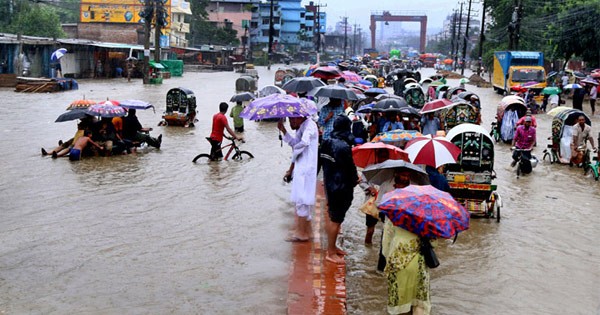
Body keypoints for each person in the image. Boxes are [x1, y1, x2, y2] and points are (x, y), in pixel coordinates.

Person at [319, 115, 358, 264]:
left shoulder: (325, 142)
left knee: (333, 217)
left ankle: (332, 247)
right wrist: (355, 179)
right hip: (341, 187)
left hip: (330, 185)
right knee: (336, 220)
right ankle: (330, 252)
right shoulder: (344, 147)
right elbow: (350, 168)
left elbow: (322, 164)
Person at [278, 114, 319, 242]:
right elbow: (295, 143)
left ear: (300, 117)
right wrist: (283, 130)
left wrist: (294, 156)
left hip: (306, 168)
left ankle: (302, 233)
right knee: (303, 200)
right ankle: (308, 231)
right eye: (289, 119)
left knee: (302, 200)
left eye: (292, 119)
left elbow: (303, 143)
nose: (291, 122)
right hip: (303, 167)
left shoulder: (309, 125)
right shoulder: (303, 126)